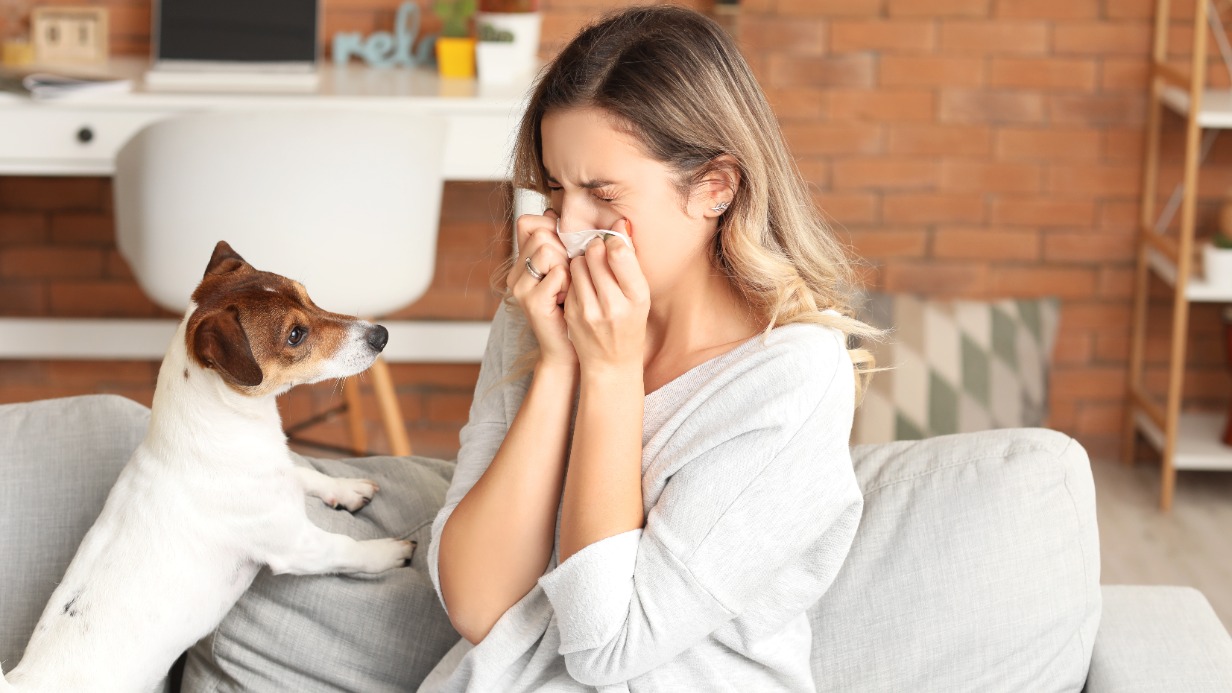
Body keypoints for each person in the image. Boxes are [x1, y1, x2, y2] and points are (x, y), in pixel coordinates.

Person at [421, 5, 878, 691]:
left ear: (714, 188)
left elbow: (606, 646)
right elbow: (477, 603)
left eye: (602, 195)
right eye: (553, 188)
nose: (568, 226)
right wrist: (560, 364)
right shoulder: (537, 317)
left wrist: (610, 373)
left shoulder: (791, 379)